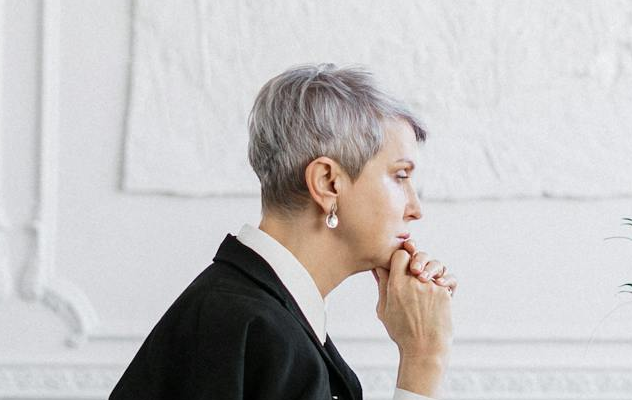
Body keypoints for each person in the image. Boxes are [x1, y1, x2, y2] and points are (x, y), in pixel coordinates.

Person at [111, 64, 460, 400]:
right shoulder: (248, 328)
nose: (415, 209)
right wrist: (423, 359)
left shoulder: (260, 316)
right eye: (400, 176)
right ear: (327, 183)